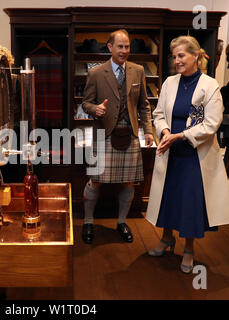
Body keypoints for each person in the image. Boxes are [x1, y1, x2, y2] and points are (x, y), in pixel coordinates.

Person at [145, 36, 229, 273]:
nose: (176, 60)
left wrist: (179, 136)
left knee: (189, 203)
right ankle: (166, 239)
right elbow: (158, 114)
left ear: (196, 56)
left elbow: (211, 123)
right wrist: (165, 131)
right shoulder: (169, 83)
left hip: (194, 155)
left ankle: (188, 249)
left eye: (181, 56)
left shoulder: (209, 86)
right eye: (174, 56)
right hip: (170, 152)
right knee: (168, 197)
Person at [81, 29, 153, 244]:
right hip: (104, 133)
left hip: (129, 134)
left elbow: (144, 105)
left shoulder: (138, 70)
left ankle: (121, 222)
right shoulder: (96, 73)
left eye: (127, 46)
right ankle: (88, 222)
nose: (124, 51)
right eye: (120, 46)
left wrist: (148, 131)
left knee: (129, 182)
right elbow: (85, 103)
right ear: (110, 47)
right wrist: (95, 110)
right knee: (95, 181)